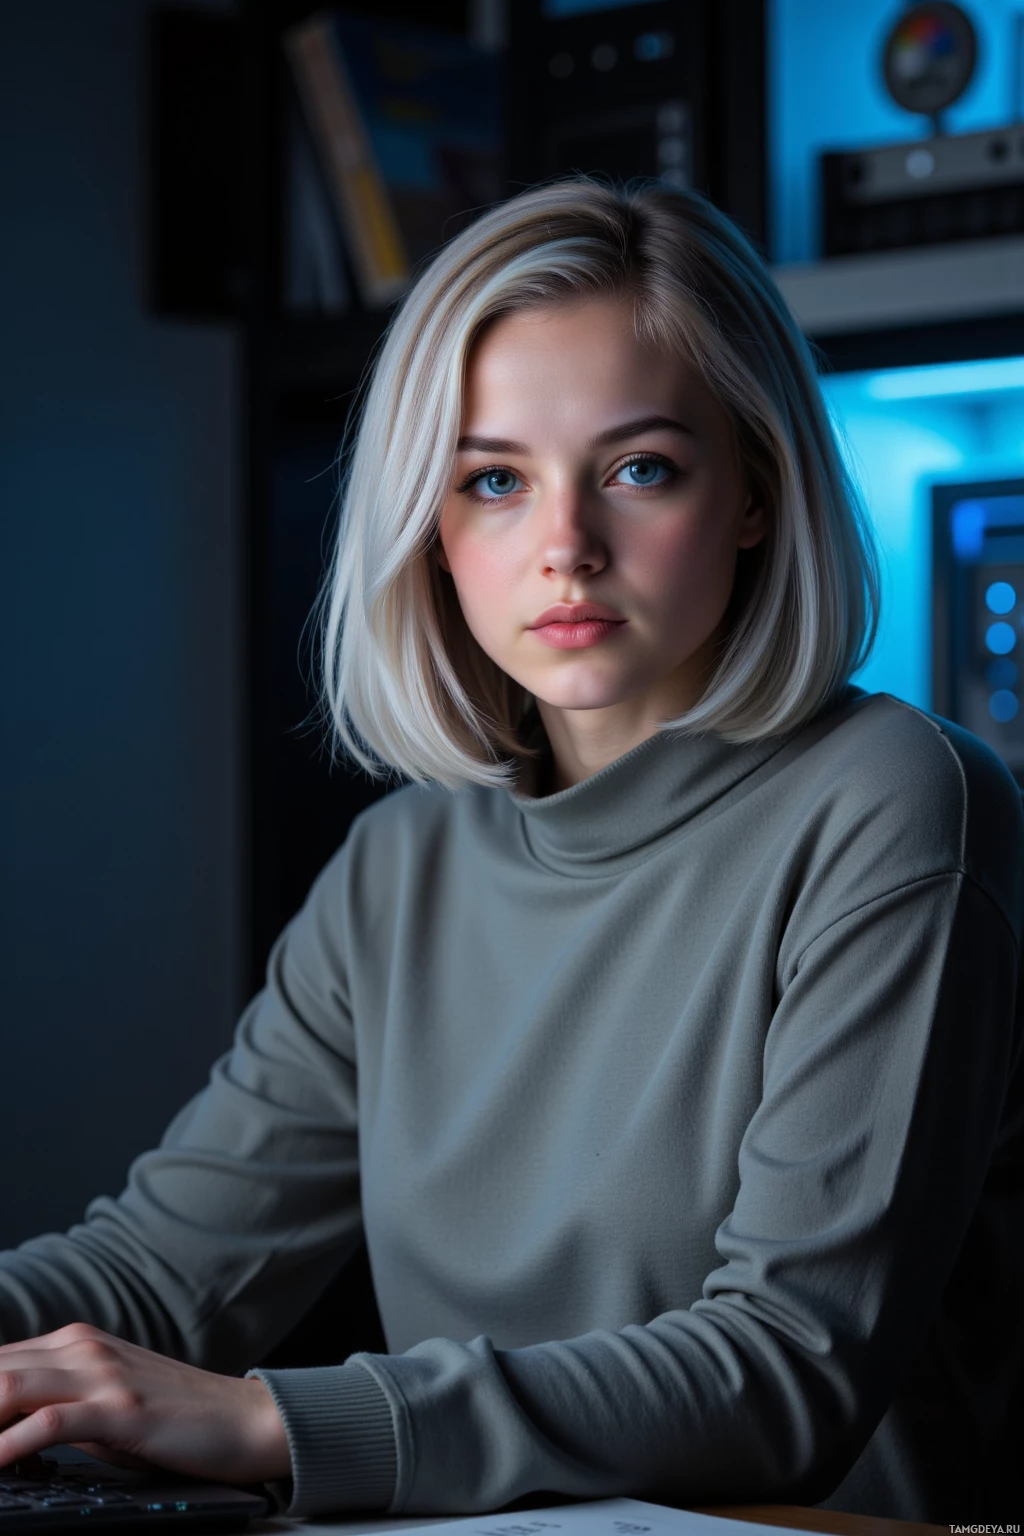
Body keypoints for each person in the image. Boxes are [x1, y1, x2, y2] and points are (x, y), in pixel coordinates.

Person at [0, 173, 1021, 1527]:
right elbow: (157, 1276)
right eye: (494, 481)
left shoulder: (900, 799)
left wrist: (267, 1418)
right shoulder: (397, 865)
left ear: (758, 491)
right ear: (433, 524)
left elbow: (789, 1371)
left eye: (639, 469)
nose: (566, 549)